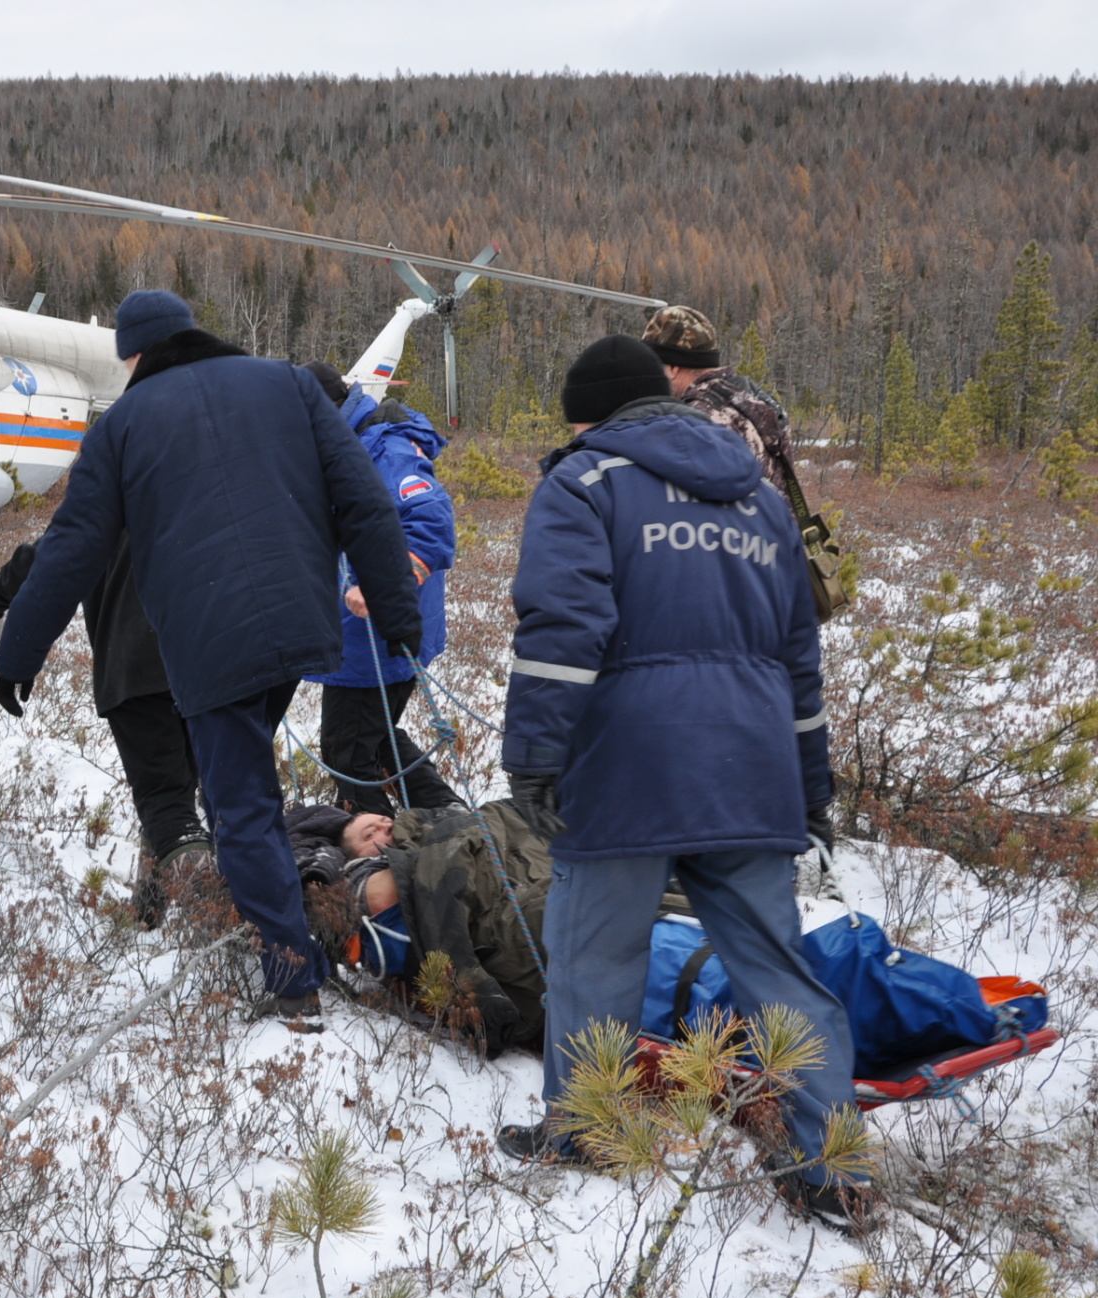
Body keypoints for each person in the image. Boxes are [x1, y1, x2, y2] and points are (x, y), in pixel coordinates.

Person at [494, 334, 861, 1230]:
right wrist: (811, 785)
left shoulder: (583, 483)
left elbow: (562, 631)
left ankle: (588, 1128)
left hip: (629, 766)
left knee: (593, 955)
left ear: (591, 414)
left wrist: (534, 756)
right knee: (778, 969)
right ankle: (832, 1166)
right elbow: (799, 662)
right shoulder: (761, 503)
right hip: (752, 766)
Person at [0, 290, 422, 1026]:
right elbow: (364, 502)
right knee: (243, 786)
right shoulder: (289, 383)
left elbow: (68, 553)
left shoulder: (120, 425)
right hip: (297, 626)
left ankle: (294, 985)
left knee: (243, 806)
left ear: (133, 355)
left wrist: (19, 650)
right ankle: (275, 913)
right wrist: (397, 613)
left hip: (208, 640)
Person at [0, 538, 210, 924]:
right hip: (207, 660)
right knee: (186, 791)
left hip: (134, 663)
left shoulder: (109, 493)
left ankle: (218, 911)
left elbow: (45, 560)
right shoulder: (192, 491)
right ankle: (150, 907)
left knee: (165, 799)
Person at [299, 362, 464, 818]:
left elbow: (432, 523)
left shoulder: (385, 450)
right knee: (377, 737)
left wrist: (381, 586)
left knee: (347, 752)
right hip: (364, 632)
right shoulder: (347, 444)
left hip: (377, 631)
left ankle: (380, 860)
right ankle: (450, 816)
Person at [289, 800, 550, 1057]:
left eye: (386, 822)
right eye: (370, 833)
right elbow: (377, 894)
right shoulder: (364, 881)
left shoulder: (428, 833)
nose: (387, 828)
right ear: (350, 859)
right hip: (523, 935)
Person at [641, 306, 797, 503]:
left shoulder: (698, 419)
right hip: (775, 530)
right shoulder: (747, 399)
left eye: (655, 366)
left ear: (673, 368)